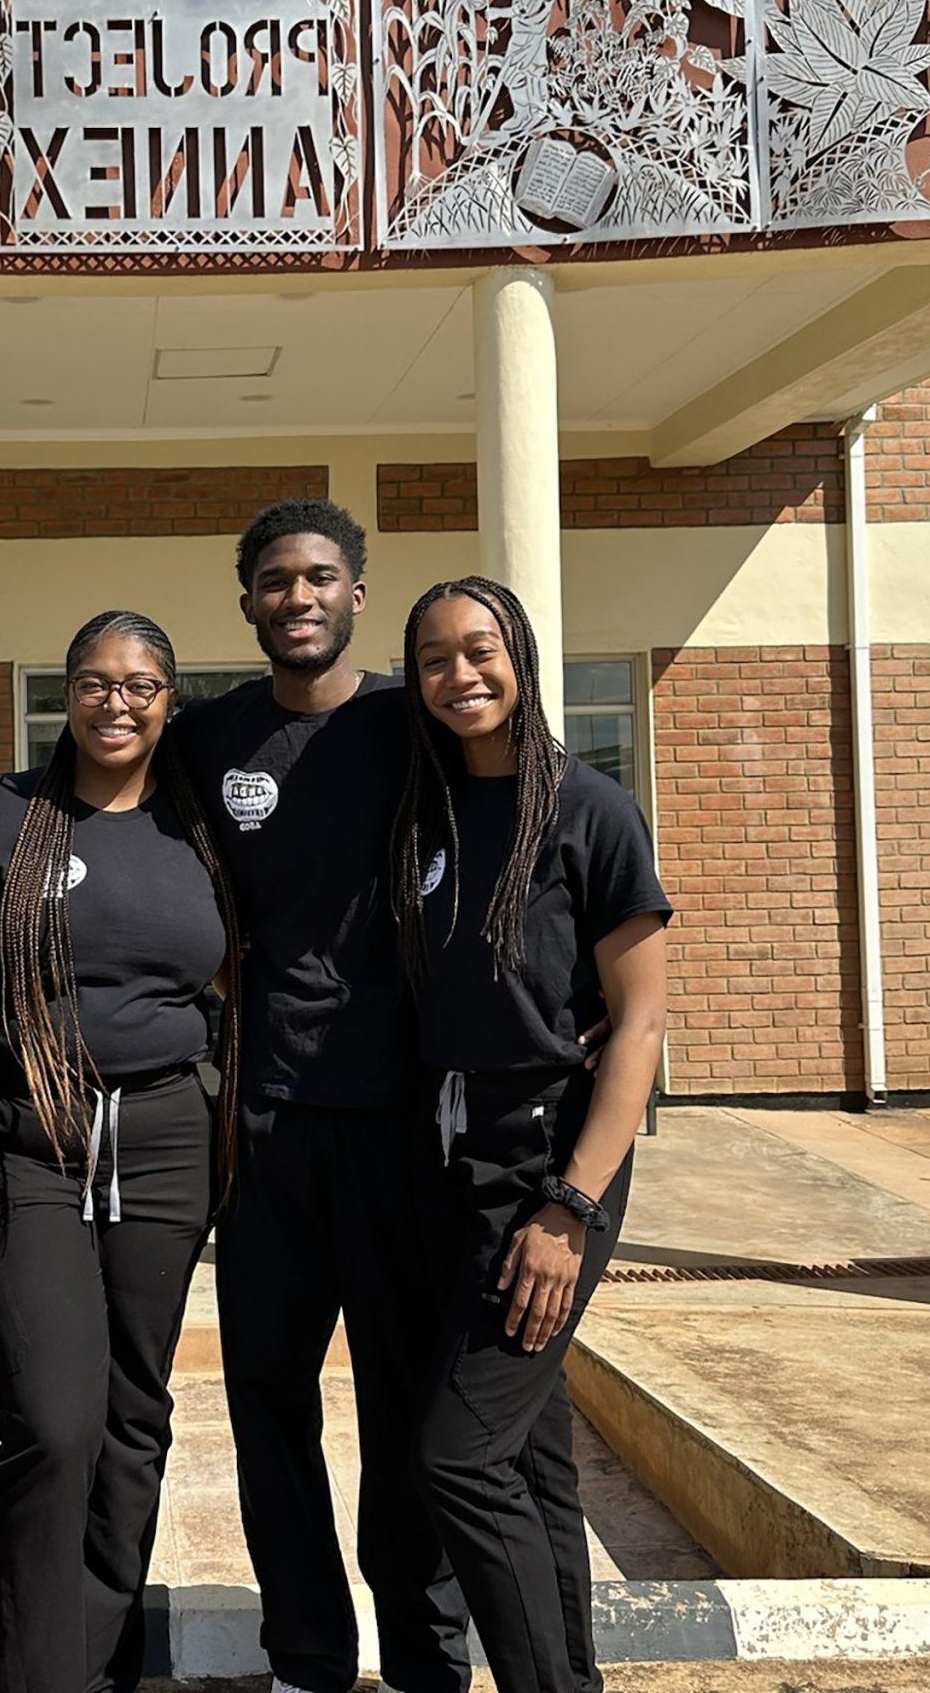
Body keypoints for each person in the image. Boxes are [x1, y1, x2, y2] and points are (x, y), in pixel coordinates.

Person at [168, 501, 471, 1693]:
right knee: (270, 1409)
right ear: (245, 600)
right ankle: (305, 1653)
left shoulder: (419, 724)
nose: (298, 596)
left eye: (321, 577)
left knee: (404, 1411)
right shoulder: (207, 739)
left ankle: (424, 1652)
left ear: (357, 594)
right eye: (275, 580)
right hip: (263, 1132)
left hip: (399, 1127)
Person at [0, 611, 239, 1693]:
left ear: (169, 700)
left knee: (136, 1410)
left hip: (162, 1138)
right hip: (26, 1143)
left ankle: (102, 1665)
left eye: (142, 684)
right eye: (96, 682)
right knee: (56, 1419)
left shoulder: (199, 830)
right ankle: (35, 1671)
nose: (118, 701)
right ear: (65, 691)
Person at [391, 578, 670, 1693]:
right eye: (434, 660)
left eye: (480, 651)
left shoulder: (589, 810)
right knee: (530, 1454)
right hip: (443, 1161)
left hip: (551, 1163)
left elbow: (640, 1020)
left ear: (522, 659)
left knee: (454, 1457)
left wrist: (571, 1208)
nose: (460, 676)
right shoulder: (423, 813)